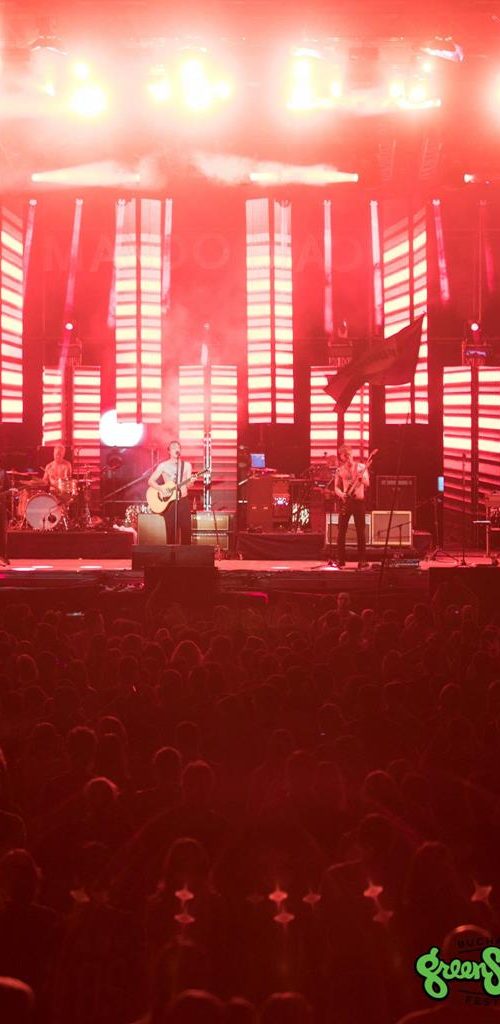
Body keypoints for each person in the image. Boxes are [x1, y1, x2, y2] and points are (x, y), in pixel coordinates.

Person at [148, 441, 193, 545]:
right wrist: (160, 488)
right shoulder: (163, 466)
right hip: (169, 502)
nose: (176, 449)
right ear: (169, 451)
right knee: (170, 531)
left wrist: (191, 482)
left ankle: (185, 554)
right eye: (173, 447)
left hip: (183, 500)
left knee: (186, 530)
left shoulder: (187, 465)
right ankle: (171, 554)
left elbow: (188, 484)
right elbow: (150, 481)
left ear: (180, 450)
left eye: (178, 447)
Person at [334, 444, 369, 569]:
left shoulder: (361, 467)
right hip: (346, 502)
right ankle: (341, 560)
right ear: (342, 457)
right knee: (341, 531)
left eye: (348, 455)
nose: (347, 458)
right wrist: (341, 494)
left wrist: (361, 479)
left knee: (360, 531)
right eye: (344, 456)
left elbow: (367, 483)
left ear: (351, 454)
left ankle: (362, 560)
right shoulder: (340, 470)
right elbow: (336, 487)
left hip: (359, 502)